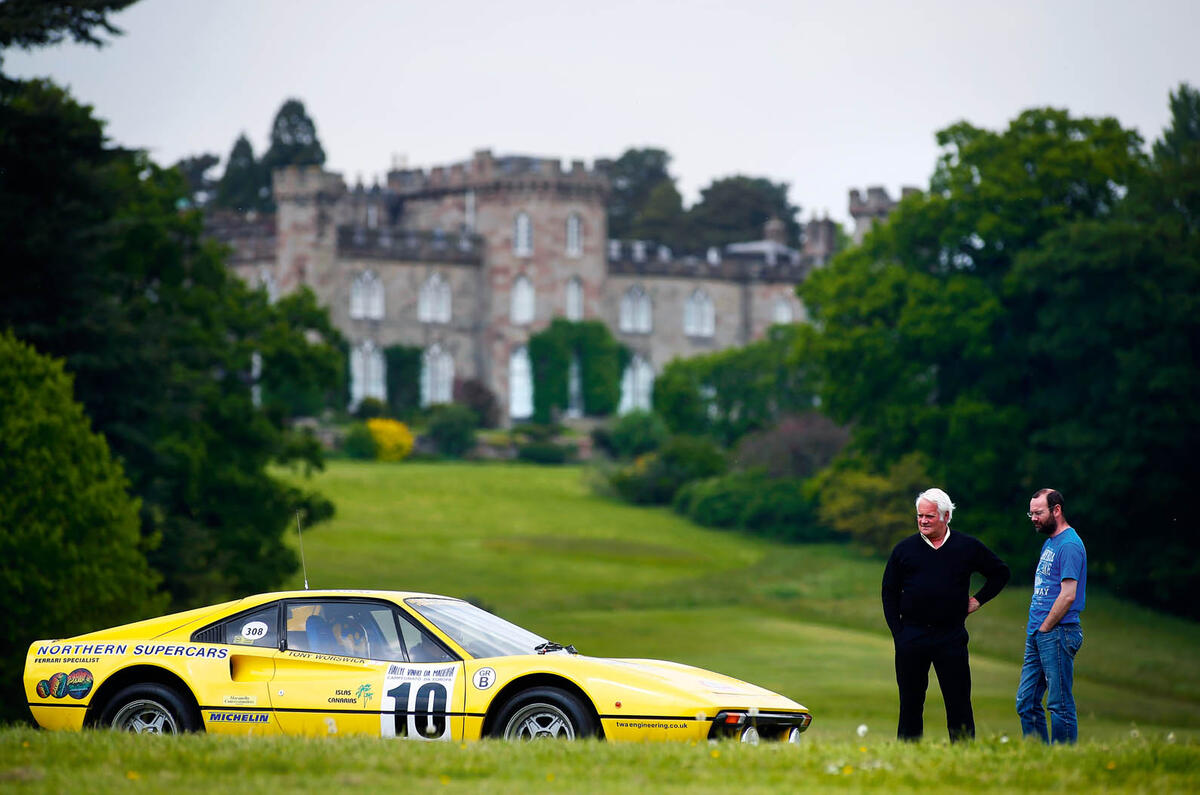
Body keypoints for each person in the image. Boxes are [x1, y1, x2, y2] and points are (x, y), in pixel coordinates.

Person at [882, 488, 1010, 741]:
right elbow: (889, 592)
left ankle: (964, 755)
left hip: (950, 637)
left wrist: (978, 600)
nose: (923, 521)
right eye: (920, 516)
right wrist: (899, 634)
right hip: (912, 636)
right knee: (910, 703)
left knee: (959, 701)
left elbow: (1000, 573)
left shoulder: (967, 546)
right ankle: (907, 754)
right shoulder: (904, 549)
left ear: (946, 516)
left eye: (929, 516)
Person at [1016, 488, 1087, 744]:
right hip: (1038, 632)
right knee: (1026, 701)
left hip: (1058, 631)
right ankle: (1038, 756)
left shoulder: (1069, 545)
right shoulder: (1050, 542)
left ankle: (1063, 759)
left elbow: (1068, 594)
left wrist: (1046, 627)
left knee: (1059, 704)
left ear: (1056, 510)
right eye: (1031, 513)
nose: (1033, 518)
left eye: (1038, 513)